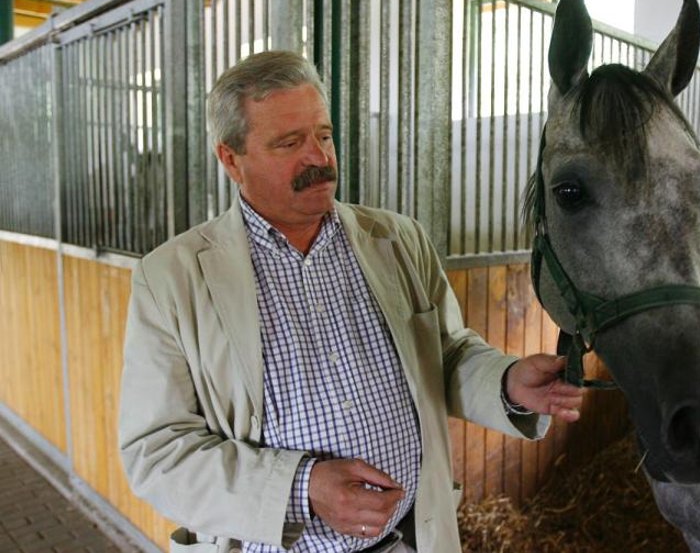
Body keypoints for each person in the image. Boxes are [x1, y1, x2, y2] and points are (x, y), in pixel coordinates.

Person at [118, 50, 583, 553]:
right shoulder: (172, 278)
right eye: (289, 142)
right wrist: (302, 487)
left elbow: (446, 355)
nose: (319, 158)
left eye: (323, 134)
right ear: (231, 158)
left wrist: (508, 382)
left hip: (409, 541)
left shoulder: (398, 240)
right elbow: (156, 453)